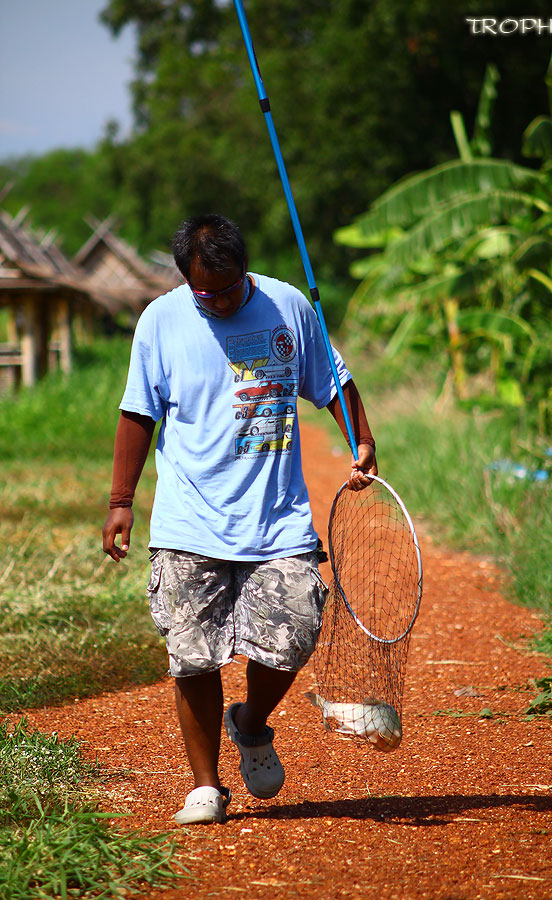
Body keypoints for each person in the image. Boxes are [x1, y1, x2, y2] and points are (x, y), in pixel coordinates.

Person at [102, 214, 377, 825]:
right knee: (193, 656)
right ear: (186, 280)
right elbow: (137, 414)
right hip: (188, 520)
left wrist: (361, 440)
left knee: (294, 632)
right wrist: (121, 500)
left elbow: (334, 382)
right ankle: (206, 785)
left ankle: (250, 724)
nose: (222, 302)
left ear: (244, 270)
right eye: (208, 294)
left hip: (275, 519)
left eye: (230, 288)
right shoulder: (160, 322)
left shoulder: (287, 308)